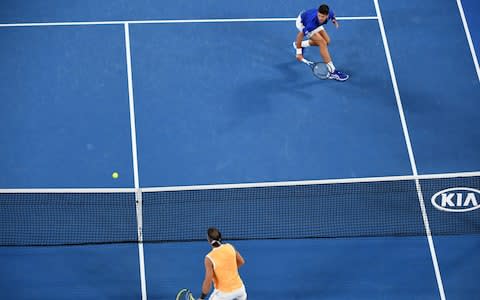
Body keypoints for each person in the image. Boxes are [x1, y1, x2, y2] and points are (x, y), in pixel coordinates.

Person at [293, 4, 349, 81]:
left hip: (313, 22)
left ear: (327, 15)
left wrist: (333, 20)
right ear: (317, 13)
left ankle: (301, 44)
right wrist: (298, 53)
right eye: (319, 15)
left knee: (327, 41)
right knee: (322, 43)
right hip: (303, 24)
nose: (320, 18)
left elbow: (332, 15)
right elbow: (300, 35)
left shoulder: (330, 13)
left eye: (322, 16)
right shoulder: (311, 24)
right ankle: (332, 71)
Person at [198, 228, 247, 300]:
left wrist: (201, 298)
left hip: (223, 295)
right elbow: (241, 261)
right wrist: (228, 271)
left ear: (208, 240)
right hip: (240, 291)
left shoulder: (209, 258)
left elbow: (208, 281)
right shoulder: (230, 247)